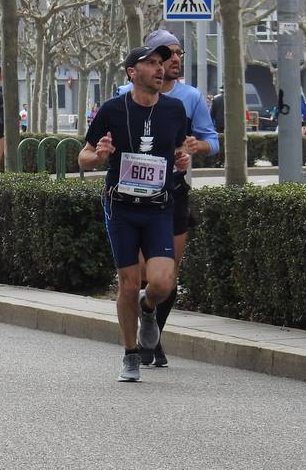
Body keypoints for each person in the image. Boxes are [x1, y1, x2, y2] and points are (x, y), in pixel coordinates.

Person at [78, 45, 190, 383]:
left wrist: (182, 160)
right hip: (121, 207)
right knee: (128, 284)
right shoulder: (112, 110)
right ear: (132, 72)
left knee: (162, 282)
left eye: (162, 63)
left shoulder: (174, 109)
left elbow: (179, 149)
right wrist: (98, 157)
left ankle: (149, 308)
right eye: (152, 63)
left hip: (159, 207)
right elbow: (83, 156)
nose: (160, 68)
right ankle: (130, 354)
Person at [121, 28, 220, 368]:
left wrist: (196, 146)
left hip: (172, 194)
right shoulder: (123, 94)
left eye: (178, 54)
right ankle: (136, 344)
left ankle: (155, 335)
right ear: (144, 62)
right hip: (130, 197)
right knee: (138, 276)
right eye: (167, 54)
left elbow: (212, 142)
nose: (174, 60)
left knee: (166, 276)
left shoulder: (188, 98)